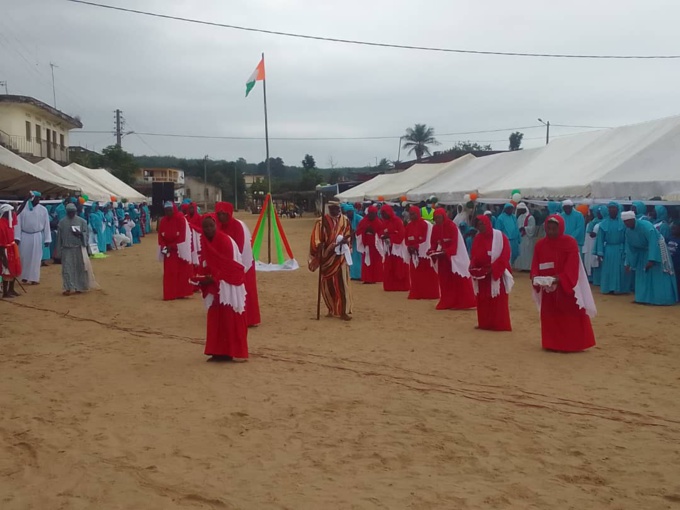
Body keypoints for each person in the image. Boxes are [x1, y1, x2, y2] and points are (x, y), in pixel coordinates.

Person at [531, 215, 596, 352]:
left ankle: (571, 344)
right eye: (548, 228)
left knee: (569, 317)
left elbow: (572, 265)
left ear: (560, 228)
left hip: (566, 287)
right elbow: (535, 263)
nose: (551, 231)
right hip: (547, 287)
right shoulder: (540, 245)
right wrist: (535, 276)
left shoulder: (569, 243)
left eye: (554, 228)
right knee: (550, 316)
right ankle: (551, 343)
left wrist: (559, 278)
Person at [198, 215, 249, 361]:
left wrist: (215, 277)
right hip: (215, 286)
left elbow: (230, 265)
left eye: (210, 226)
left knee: (230, 317)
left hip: (229, 285)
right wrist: (202, 277)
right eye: (205, 227)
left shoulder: (225, 241)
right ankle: (217, 351)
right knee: (215, 318)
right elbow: (205, 261)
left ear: (216, 226)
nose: (208, 229)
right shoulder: (205, 241)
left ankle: (232, 352)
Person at [215, 202, 261, 327]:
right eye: (219, 214)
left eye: (224, 214)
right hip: (226, 263)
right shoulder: (218, 227)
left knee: (246, 290)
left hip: (242, 263)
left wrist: (232, 262)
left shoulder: (238, 226)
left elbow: (240, 247)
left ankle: (249, 319)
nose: (221, 217)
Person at [308, 201, 353, 320]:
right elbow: (315, 239)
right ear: (329, 209)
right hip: (326, 258)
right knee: (328, 286)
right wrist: (320, 246)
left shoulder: (345, 220)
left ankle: (344, 311)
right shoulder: (321, 222)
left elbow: (349, 235)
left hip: (340, 257)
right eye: (332, 209)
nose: (335, 211)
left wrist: (345, 242)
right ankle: (332, 308)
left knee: (342, 284)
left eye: (337, 209)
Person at [622, 211, 678, 305]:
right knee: (642, 273)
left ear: (633, 219)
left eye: (628, 221)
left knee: (658, 274)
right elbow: (630, 248)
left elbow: (653, 242)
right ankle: (642, 298)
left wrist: (652, 259)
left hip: (657, 250)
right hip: (642, 252)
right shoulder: (628, 231)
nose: (626, 223)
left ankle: (661, 300)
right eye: (624, 222)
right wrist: (628, 263)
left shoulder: (646, 226)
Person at [469, 214, 513, 331]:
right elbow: (474, 255)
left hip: (496, 274)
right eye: (478, 225)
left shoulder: (500, 237)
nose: (481, 227)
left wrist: (493, 268)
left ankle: (499, 325)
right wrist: (473, 266)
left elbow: (505, 255)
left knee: (498, 300)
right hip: (482, 275)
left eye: (482, 224)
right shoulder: (478, 238)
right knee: (483, 300)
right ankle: (484, 323)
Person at [429, 208, 476, 310]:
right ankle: (446, 301)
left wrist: (448, 251)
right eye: (435, 218)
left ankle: (463, 302)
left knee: (458, 278)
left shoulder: (451, 226)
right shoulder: (435, 228)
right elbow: (433, 242)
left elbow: (455, 243)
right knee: (444, 280)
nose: (437, 220)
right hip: (443, 257)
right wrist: (432, 251)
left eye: (439, 218)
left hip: (454, 256)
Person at [158, 202, 194, 301]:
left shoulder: (180, 219)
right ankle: (170, 294)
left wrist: (173, 246)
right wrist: (164, 246)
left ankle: (181, 293)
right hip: (168, 251)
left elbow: (183, 236)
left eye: (170, 210)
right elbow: (160, 236)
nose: (168, 212)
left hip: (179, 251)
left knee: (181, 272)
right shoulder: (163, 221)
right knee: (169, 273)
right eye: (166, 210)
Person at [14, 191, 51, 285]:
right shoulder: (22, 209)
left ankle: (34, 278)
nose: (38, 200)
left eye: (39, 198)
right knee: (24, 257)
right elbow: (17, 223)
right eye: (37, 198)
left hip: (37, 236)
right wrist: (17, 237)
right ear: (31, 198)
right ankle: (24, 277)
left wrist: (47, 239)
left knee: (36, 258)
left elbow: (47, 225)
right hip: (24, 236)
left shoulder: (43, 210)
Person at [596, 202, 632, 295]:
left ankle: (620, 289)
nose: (612, 210)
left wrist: (626, 250)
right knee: (608, 270)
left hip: (620, 249)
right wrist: (600, 252)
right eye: (610, 208)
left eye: (614, 208)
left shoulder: (623, 223)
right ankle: (608, 288)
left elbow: (627, 238)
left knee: (620, 270)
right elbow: (600, 239)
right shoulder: (603, 223)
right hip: (608, 250)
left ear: (618, 210)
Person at [56, 203, 92, 296]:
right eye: (69, 212)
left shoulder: (82, 221)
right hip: (67, 249)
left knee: (79, 268)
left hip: (78, 248)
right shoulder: (62, 222)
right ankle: (68, 287)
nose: (71, 214)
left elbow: (86, 234)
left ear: (76, 212)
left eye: (73, 212)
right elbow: (59, 238)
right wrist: (58, 251)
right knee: (67, 269)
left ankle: (79, 287)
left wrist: (80, 234)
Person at [405, 206, 439, 300]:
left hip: (424, 254)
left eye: (413, 214)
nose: (412, 216)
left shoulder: (426, 224)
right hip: (414, 253)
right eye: (410, 214)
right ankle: (417, 293)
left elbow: (427, 239)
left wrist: (417, 246)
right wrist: (410, 246)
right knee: (415, 275)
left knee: (427, 275)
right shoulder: (409, 225)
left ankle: (430, 294)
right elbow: (406, 238)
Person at [379, 204, 410, 291]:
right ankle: (390, 286)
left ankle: (401, 286)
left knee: (399, 266)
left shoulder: (397, 221)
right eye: (382, 213)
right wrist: (384, 235)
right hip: (389, 248)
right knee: (389, 267)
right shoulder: (384, 222)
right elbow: (381, 231)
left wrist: (390, 236)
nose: (384, 215)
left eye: (385, 213)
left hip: (398, 248)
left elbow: (401, 234)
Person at [355, 205, 384, 284]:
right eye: (370, 213)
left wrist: (374, 232)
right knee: (366, 263)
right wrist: (365, 231)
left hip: (375, 247)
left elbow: (381, 234)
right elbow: (358, 231)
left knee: (376, 263)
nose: (371, 215)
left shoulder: (379, 222)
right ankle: (367, 278)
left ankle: (375, 278)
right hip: (366, 246)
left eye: (373, 213)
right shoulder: (364, 221)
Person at [0, 204, 21, 298]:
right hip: (5, 249)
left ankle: (11, 289)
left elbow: (19, 212)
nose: (13, 214)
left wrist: (26, 200)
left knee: (14, 268)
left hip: (12, 248)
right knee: (6, 269)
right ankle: (5, 292)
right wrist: (3, 258)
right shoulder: (1, 225)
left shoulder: (9, 222)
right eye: (12, 212)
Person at [341, 203, 363, 281]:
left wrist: (354, 234)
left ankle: (359, 275)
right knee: (352, 257)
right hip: (350, 241)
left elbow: (362, 229)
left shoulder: (359, 218)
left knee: (358, 257)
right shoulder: (346, 219)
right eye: (347, 212)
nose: (349, 213)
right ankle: (353, 275)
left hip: (359, 241)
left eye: (350, 212)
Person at [583, 205, 604, 285]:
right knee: (590, 261)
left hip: (599, 244)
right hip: (590, 244)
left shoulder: (604, 223)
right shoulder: (592, 222)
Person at [514, 202, 537, 271]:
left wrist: (524, 228)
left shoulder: (530, 217)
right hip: (521, 238)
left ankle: (528, 268)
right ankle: (522, 267)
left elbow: (532, 228)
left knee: (528, 253)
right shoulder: (519, 217)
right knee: (521, 253)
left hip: (528, 238)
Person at [666, 223, 680, 294]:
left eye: (675, 229)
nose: (673, 230)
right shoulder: (669, 238)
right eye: (672, 229)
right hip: (670, 264)